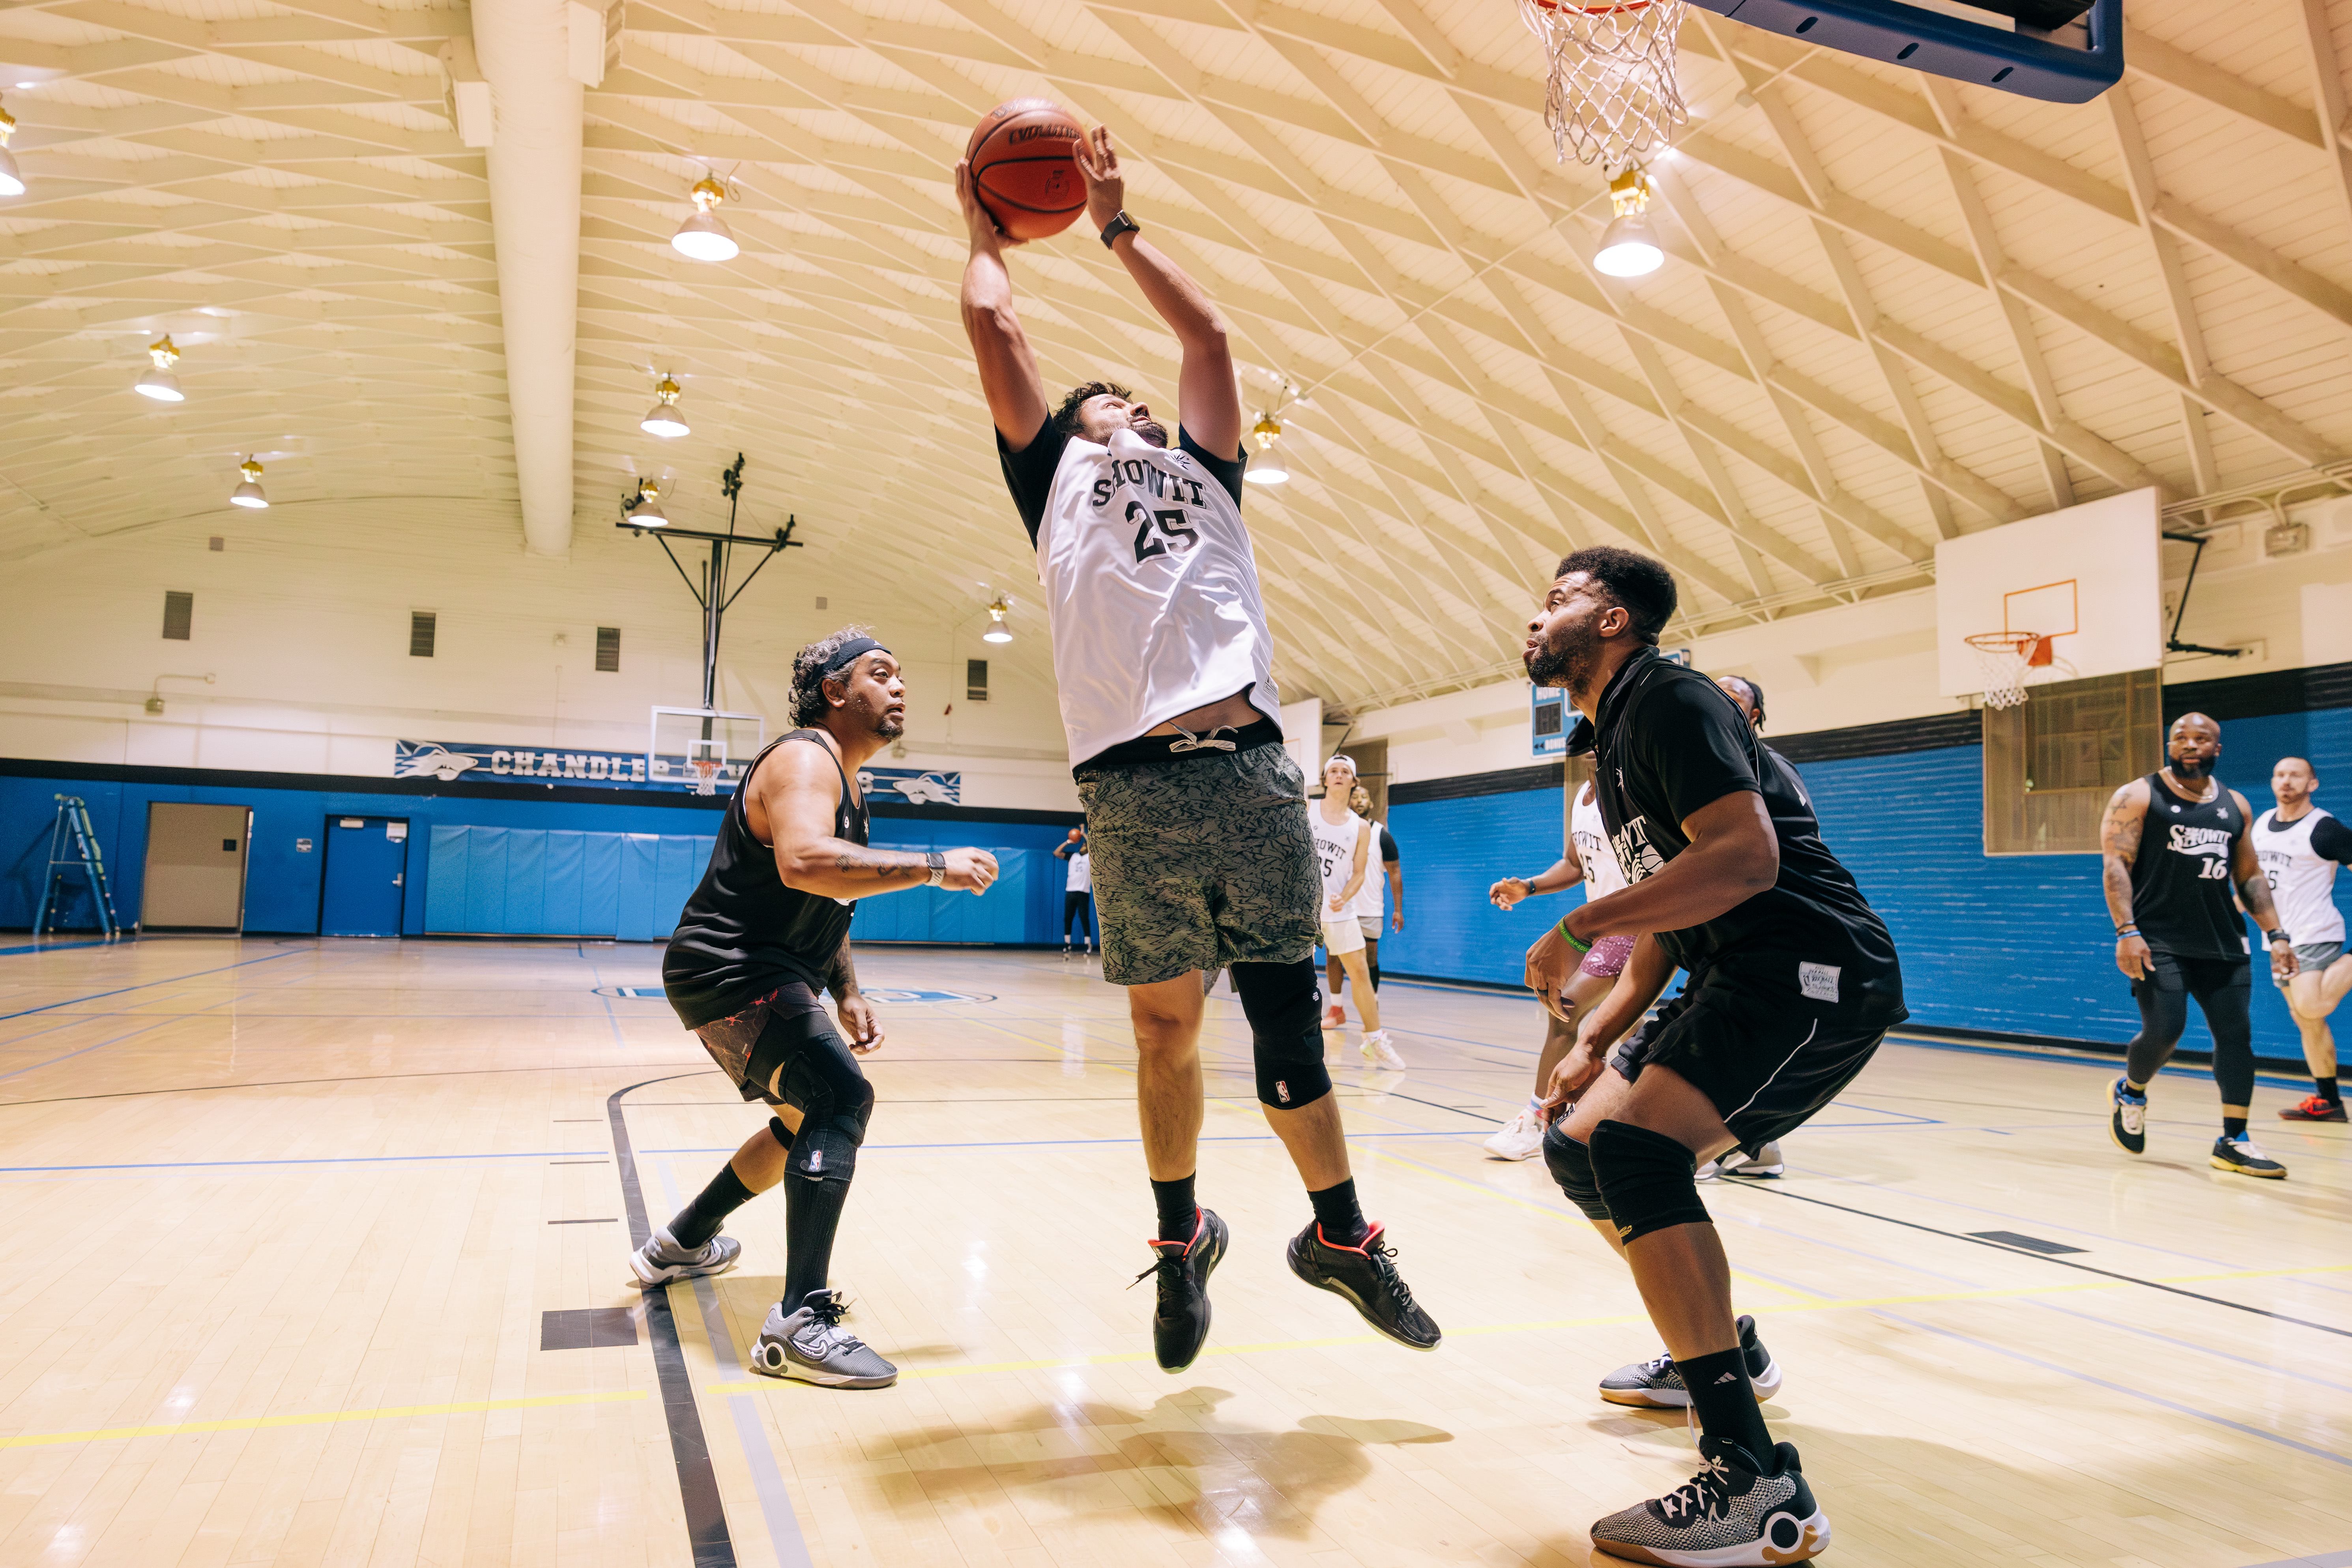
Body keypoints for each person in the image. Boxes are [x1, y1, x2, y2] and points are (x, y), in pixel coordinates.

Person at [958, 121, 1437, 1372]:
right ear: (1069, 434)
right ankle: (1181, 1244)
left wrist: (1116, 222)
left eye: (1138, 402)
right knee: (1162, 1036)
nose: (1129, 410)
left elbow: (1208, 341)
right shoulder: (1053, 476)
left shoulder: (1209, 473)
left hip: (1244, 772)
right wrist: (983, 232)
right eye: (1102, 401)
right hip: (1126, 786)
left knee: (1289, 1026)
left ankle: (1339, 1236)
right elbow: (997, 336)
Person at [1523, 546, 1907, 1566]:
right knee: (1581, 1144)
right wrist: (1597, 1030)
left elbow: (1745, 858)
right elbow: (1677, 904)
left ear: (1613, 621)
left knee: (1643, 1154)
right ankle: (1725, 1347)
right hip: (1732, 968)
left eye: (1559, 598)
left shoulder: (1672, 698)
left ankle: (1757, 1479)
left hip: (1811, 968)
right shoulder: (1614, 743)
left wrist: (1577, 924)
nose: (1537, 614)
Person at [641, 631, 1001, 1387]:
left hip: (762, 972)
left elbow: (826, 897)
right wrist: (936, 865)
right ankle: (798, 1323)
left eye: (902, 673)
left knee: (807, 1116)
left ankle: (682, 1240)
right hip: (731, 970)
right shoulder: (805, 758)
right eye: (881, 673)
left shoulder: (846, 778)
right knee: (838, 1098)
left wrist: (846, 988)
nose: (899, 685)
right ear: (836, 691)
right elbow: (805, 862)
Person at [2100, 714, 2297, 1177]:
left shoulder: (2236, 805)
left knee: (2236, 1036)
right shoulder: (2139, 795)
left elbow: (2248, 876)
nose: (2190, 745)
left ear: (2217, 748)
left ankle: (2234, 1139)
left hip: (2223, 940)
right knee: (2166, 1029)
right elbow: (2116, 866)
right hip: (2158, 939)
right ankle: (2132, 1089)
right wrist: (2126, 930)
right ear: (2169, 745)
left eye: (2201, 738)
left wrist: (2278, 933)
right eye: (2180, 738)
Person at [1482, 775, 1635, 1161]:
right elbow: (1573, 862)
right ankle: (1746, 1139)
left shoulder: (1632, 788)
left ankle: (1537, 1118)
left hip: (1632, 925)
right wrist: (1528, 886)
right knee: (1634, 1031)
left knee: (1563, 1007)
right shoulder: (1582, 799)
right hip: (1602, 929)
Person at [2251, 756, 2350, 1122]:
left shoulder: (2323, 828)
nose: (2286, 781)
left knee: (2310, 1006)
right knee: (2304, 1018)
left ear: (2312, 784)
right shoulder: (2261, 824)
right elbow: (2258, 882)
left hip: (2315, 933)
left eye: (2295, 775)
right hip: (2279, 940)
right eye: (2279, 774)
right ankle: (2329, 1101)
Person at [1310, 756, 1405, 1068]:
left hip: (1340, 909)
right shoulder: (1307, 810)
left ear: (1354, 782)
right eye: (1333, 771)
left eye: (1345, 772)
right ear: (1325, 780)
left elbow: (1359, 873)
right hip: (1303, 911)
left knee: (1361, 972)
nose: (1338, 775)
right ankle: (1299, 1038)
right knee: (1299, 976)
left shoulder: (1361, 826)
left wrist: (1345, 896)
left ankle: (1374, 1039)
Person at [1327, 781, 1402, 1014]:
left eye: (1364, 797)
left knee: (1370, 960)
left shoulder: (1382, 835)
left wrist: (1398, 909)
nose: (1359, 800)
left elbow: (1395, 873)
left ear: (1371, 803)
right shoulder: (1337, 832)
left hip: (1369, 908)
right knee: (1334, 958)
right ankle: (1336, 1009)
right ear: (1348, 800)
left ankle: (1373, 1003)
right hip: (1339, 907)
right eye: (1355, 796)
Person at [1055, 826, 1095, 957]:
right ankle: (1067, 944)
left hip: (1083, 892)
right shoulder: (1073, 856)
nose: (1084, 845)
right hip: (1070, 892)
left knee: (1084, 918)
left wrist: (1083, 834)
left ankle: (1088, 944)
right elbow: (1056, 853)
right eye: (1082, 844)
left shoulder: (1091, 858)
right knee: (1068, 918)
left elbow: (1094, 846)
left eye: (1086, 845)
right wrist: (1068, 842)